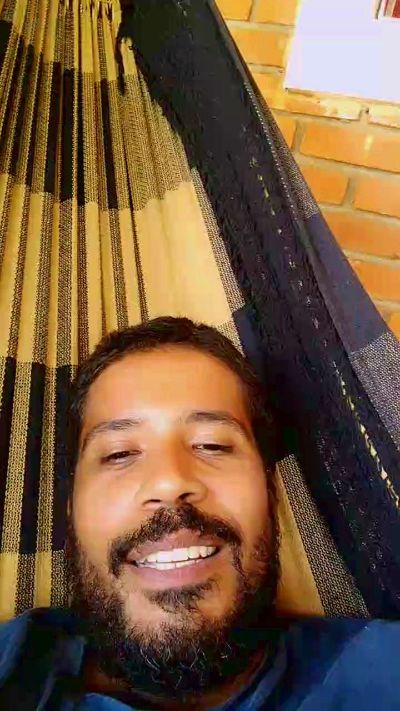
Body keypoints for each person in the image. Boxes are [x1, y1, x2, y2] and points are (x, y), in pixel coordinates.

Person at [0, 317, 398, 710]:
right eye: (119, 453)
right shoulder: (15, 665)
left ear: (271, 492)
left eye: (212, 446)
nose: (169, 481)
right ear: (71, 511)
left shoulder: (381, 672)